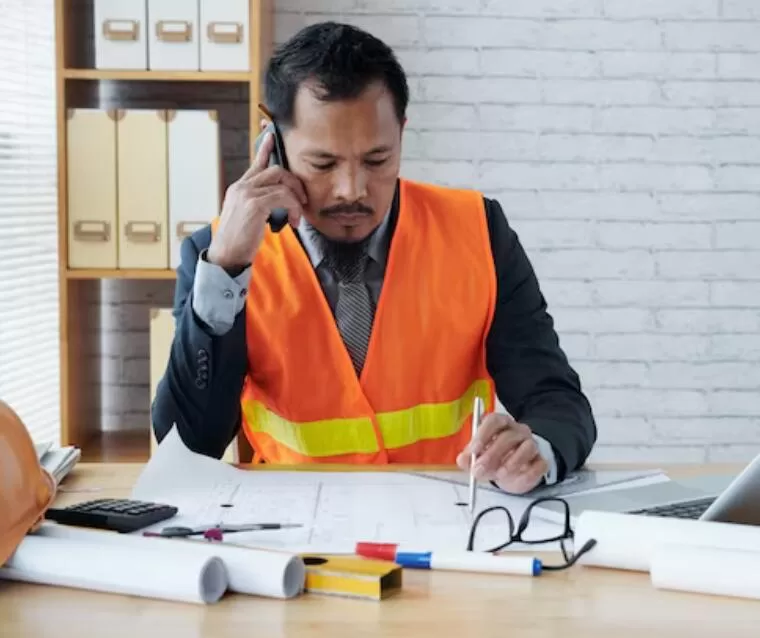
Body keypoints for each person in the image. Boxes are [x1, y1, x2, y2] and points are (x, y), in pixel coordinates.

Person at [151, 21, 597, 494]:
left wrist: (538, 449)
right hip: (289, 535)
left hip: (448, 526)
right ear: (274, 146)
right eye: (323, 164)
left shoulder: (479, 232)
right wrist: (227, 268)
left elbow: (557, 401)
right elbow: (187, 446)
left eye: (377, 160)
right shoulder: (217, 255)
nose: (353, 190)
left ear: (402, 134)